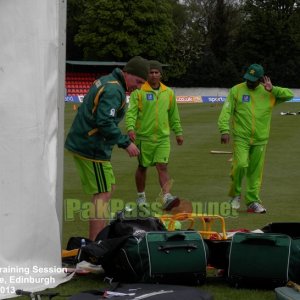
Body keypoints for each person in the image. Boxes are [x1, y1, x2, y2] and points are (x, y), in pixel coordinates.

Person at [65, 56, 150, 240]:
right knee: (102, 193)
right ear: (127, 73)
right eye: (138, 81)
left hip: (90, 144)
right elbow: (104, 121)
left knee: (108, 188)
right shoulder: (114, 89)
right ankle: (96, 247)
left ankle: (98, 241)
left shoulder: (109, 81)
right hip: (91, 148)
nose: (139, 86)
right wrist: (125, 142)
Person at [218, 64, 294, 213]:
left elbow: (289, 95)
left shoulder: (269, 93)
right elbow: (226, 111)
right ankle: (235, 196)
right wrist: (224, 130)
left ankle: (253, 201)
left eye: (253, 80)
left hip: (260, 139)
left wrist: (273, 89)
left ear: (260, 79)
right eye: (248, 78)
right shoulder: (237, 90)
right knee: (240, 165)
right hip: (241, 137)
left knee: (255, 172)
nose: (249, 82)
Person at [126, 60, 183, 211]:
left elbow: (173, 115)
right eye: (151, 72)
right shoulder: (138, 92)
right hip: (144, 138)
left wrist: (178, 132)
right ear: (147, 74)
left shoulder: (168, 93)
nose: (153, 75)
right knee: (142, 167)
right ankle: (140, 196)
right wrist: (130, 128)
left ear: (161, 74)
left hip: (163, 138)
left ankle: (166, 197)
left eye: (156, 72)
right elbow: (131, 113)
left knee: (162, 166)